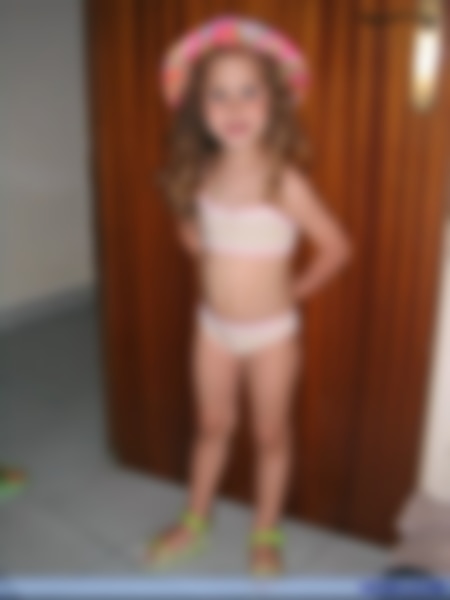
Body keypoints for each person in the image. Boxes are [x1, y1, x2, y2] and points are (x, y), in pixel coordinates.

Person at [145, 15, 352, 576]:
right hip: (212, 328)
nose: (234, 107)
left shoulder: (285, 181)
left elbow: (337, 248)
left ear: (274, 102)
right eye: (218, 95)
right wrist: (204, 253)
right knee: (211, 426)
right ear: (198, 109)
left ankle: (265, 531)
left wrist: (292, 293)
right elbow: (189, 228)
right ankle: (195, 520)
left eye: (248, 92)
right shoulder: (203, 172)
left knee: (269, 434)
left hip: (270, 335)